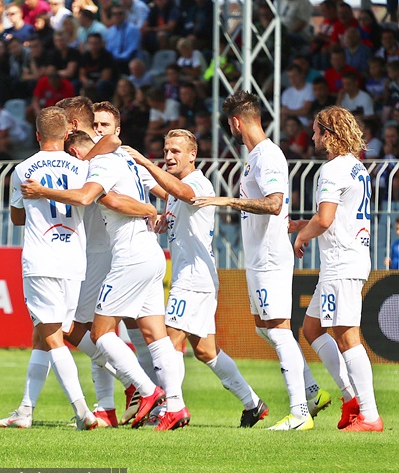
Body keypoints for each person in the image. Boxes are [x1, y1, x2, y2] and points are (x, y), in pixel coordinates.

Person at [22, 104, 182, 430]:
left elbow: (103, 197)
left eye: (104, 124)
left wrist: (150, 209)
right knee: (149, 332)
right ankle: (153, 405)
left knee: (83, 330)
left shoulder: (100, 160)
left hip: (109, 254)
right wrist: (155, 210)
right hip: (133, 253)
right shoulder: (111, 160)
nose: (100, 129)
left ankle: (143, 389)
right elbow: (159, 191)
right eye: (95, 123)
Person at [193, 90, 331, 431]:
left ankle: (300, 413)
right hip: (257, 258)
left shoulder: (268, 156)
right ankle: (313, 392)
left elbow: (273, 203)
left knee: (279, 331)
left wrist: (226, 200)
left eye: (230, 124)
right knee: (263, 328)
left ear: (236, 122)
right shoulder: (254, 157)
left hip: (270, 257)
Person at [125, 129, 269, 427]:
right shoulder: (177, 189)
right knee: (205, 351)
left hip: (193, 278)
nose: (168, 156)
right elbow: (175, 201)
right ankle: (253, 403)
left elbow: (183, 194)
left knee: (167, 342)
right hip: (195, 278)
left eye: (176, 151)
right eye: (166, 150)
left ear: (193, 154)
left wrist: (146, 163)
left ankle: (172, 408)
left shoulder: (197, 182)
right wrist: (164, 221)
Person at [0, 106, 98, 430]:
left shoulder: (23, 169)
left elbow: (16, 217)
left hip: (41, 259)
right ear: (67, 134)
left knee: (53, 339)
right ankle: (25, 411)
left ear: (37, 135)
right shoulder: (83, 167)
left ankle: (83, 411)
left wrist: (38, 208)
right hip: (74, 261)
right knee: (43, 336)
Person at [291, 107, 382, 432]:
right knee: (312, 328)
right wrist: (305, 224)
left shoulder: (331, 170)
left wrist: (303, 234)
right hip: (346, 258)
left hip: (342, 262)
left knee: (347, 337)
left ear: (328, 134)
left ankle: (369, 415)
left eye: (316, 132)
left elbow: (326, 218)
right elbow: (336, 219)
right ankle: (350, 398)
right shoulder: (357, 167)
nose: (313, 137)